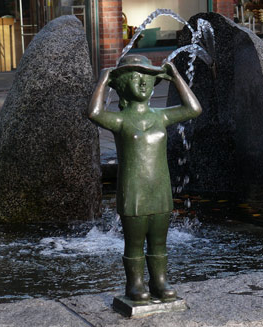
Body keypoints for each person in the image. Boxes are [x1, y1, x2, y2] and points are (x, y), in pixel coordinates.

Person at [88, 55, 202, 303]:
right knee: (135, 243)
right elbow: (94, 112)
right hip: (134, 191)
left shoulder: (160, 116)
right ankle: (135, 285)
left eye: (148, 79)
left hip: (159, 189)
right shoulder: (120, 120)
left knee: (159, 242)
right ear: (122, 85)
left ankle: (159, 282)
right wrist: (103, 80)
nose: (142, 84)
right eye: (136, 78)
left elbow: (194, 109)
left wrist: (175, 77)